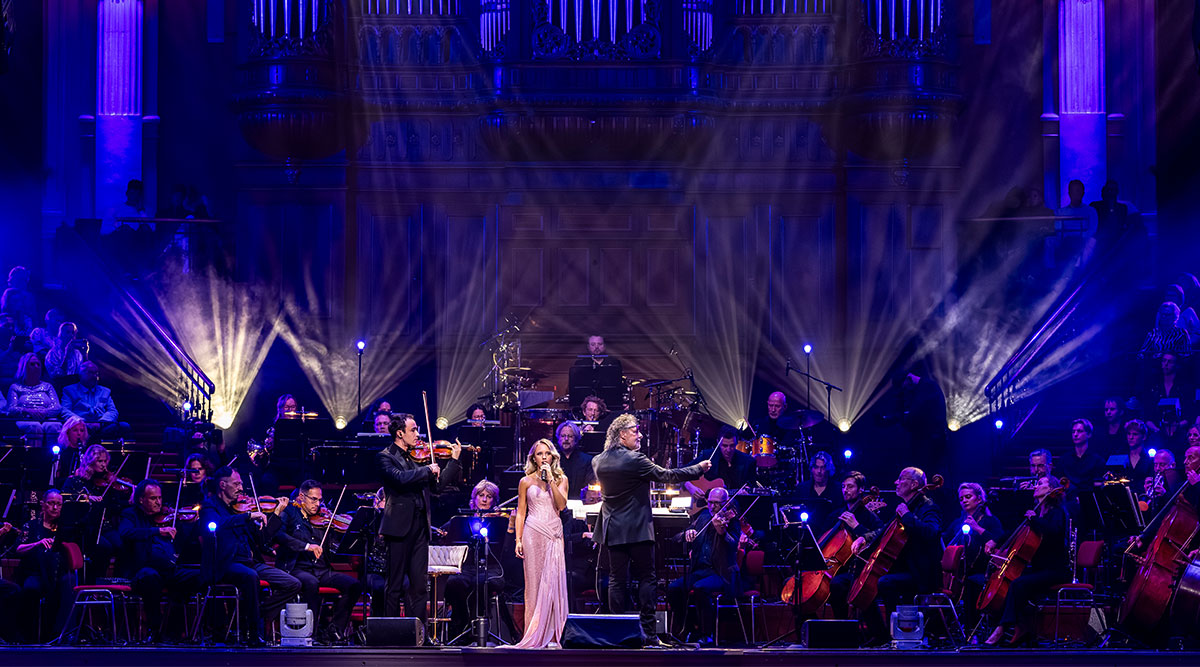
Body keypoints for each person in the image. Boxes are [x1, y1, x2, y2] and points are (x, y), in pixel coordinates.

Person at [591, 413, 710, 646]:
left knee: (617, 579)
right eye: (636, 431)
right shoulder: (635, 460)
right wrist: (698, 468)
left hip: (613, 528)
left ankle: (619, 632)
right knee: (647, 577)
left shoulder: (599, 461)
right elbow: (668, 476)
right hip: (636, 529)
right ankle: (649, 634)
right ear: (622, 434)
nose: (640, 434)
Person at [199, 466, 300, 646]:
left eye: (241, 484)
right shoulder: (210, 506)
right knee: (250, 576)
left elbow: (262, 539)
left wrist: (276, 514)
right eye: (236, 483)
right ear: (222, 485)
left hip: (251, 562)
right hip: (226, 563)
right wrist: (248, 515)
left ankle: (255, 613)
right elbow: (216, 524)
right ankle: (253, 633)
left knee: (292, 583)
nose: (241, 487)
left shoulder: (241, 508)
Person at [376, 413, 462, 622]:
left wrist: (453, 461)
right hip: (397, 528)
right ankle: (391, 631)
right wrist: (426, 470)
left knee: (419, 585)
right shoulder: (386, 456)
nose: (417, 434)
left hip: (420, 528)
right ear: (399, 433)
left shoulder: (419, 457)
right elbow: (399, 479)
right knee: (394, 585)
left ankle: (418, 633)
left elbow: (438, 487)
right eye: (413, 430)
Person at [850, 467, 942, 644]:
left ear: (914, 484)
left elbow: (931, 532)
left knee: (885, 583)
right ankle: (880, 634)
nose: (896, 482)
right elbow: (882, 531)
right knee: (860, 582)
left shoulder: (928, 507)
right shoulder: (905, 507)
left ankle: (896, 635)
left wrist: (907, 516)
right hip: (904, 567)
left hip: (921, 572)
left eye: (901, 479)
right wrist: (864, 537)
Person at [983, 475, 1069, 646]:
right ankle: (1019, 625)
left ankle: (1002, 629)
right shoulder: (1036, 512)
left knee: (1018, 584)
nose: (1036, 486)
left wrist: (1034, 519)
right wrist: (996, 541)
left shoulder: (1057, 513)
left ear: (1052, 490)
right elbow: (1016, 531)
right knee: (1009, 582)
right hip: (1039, 569)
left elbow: (1053, 531)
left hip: (1055, 570)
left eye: (1040, 484)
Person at [275, 479, 364, 644]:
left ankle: (334, 629)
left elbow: (335, 545)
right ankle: (312, 634)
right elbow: (279, 536)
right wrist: (307, 546)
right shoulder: (289, 512)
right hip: (297, 568)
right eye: (313, 499)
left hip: (322, 569)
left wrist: (339, 528)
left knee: (354, 585)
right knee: (311, 583)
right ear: (301, 497)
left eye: (319, 500)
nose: (317, 504)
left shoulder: (323, 517)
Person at [119, 479, 202, 643]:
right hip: (141, 569)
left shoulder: (167, 516)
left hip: (168, 569)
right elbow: (125, 532)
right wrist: (157, 530)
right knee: (150, 578)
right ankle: (154, 630)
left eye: (159, 498)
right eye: (153, 498)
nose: (158, 502)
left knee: (198, 576)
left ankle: (176, 630)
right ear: (141, 499)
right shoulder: (130, 514)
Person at [512, 439, 570, 648]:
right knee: (534, 585)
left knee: (554, 582)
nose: (543, 457)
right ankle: (533, 633)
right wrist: (518, 539)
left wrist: (551, 481)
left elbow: (561, 505)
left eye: (547, 453)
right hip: (533, 532)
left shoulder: (562, 479)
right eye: (539, 454)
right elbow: (520, 512)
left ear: (553, 456)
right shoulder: (525, 481)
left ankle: (554, 635)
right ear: (533, 458)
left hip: (553, 532)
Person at [667, 486, 741, 644]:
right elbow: (677, 537)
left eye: (717, 503)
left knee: (701, 588)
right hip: (699, 570)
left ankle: (707, 634)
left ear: (725, 503)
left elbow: (733, 545)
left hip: (720, 573)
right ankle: (687, 629)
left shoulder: (732, 520)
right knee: (674, 588)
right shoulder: (703, 516)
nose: (712, 507)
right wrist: (686, 534)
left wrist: (723, 533)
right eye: (710, 502)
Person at [444, 480, 511, 642]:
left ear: (494, 501)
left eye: (489, 497)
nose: (484, 499)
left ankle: (480, 630)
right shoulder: (462, 519)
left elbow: (507, 549)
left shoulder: (500, 521)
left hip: (491, 567)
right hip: (466, 567)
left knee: (483, 582)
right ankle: (460, 624)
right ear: (474, 499)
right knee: (454, 582)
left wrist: (511, 526)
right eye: (481, 495)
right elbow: (444, 532)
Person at [61, 443, 128, 582]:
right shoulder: (77, 480)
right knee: (104, 547)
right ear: (90, 461)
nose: (104, 465)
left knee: (122, 546)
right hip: (87, 526)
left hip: (104, 526)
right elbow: (66, 498)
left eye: (105, 461)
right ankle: (95, 581)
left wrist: (118, 493)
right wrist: (87, 498)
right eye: (100, 461)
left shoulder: (107, 481)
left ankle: (115, 580)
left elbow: (115, 507)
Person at [943, 482, 1004, 628]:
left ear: (979, 499)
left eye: (968, 496)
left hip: (983, 571)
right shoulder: (958, 522)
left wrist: (976, 528)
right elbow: (945, 540)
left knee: (971, 583)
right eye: (961, 498)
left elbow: (999, 540)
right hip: (959, 573)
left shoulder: (990, 521)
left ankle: (972, 629)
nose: (964, 500)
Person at [16, 490, 75, 641]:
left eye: (58, 504)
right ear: (43, 505)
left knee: (68, 584)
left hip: (57, 572)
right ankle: (28, 636)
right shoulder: (31, 525)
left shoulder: (65, 528)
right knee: (30, 588)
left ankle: (60, 635)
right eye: (51, 503)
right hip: (35, 572)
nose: (55, 507)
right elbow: (19, 549)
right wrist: (37, 543)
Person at [824, 471, 884, 619]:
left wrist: (857, 527)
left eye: (850, 486)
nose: (845, 490)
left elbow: (879, 538)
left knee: (837, 584)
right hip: (833, 567)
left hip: (858, 570)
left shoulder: (869, 516)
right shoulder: (835, 514)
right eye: (843, 486)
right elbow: (822, 539)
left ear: (861, 489)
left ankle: (844, 628)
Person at [683, 425, 756, 501]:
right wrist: (690, 487)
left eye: (732, 445)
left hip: (735, 505)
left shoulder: (748, 461)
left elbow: (751, 486)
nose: (728, 450)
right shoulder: (707, 456)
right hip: (706, 506)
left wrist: (747, 490)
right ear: (718, 442)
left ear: (737, 442)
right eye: (724, 446)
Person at [61, 361, 128, 438]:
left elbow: (113, 411)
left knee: (124, 426)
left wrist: (100, 422)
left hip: (102, 425)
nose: (94, 376)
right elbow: (64, 410)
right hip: (79, 426)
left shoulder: (105, 391)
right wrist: (81, 422)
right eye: (89, 373)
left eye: (96, 373)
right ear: (80, 375)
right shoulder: (69, 390)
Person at [6, 352, 62, 444]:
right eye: (32, 364)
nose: (36, 366)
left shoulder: (48, 386)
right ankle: (34, 456)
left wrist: (45, 412)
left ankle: (54, 457)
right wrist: (27, 411)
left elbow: (57, 407)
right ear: (24, 367)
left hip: (47, 418)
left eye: (38, 364)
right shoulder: (15, 387)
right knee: (34, 427)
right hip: (25, 418)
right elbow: (11, 408)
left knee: (54, 427)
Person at [1061, 419, 1105, 493]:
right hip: (1069, 499)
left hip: (1090, 498)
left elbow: (1098, 484)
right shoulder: (1065, 459)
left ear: (1089, 434)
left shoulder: (1097, 460)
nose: (1075, 434)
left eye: (1079, 431)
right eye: (1073, 431)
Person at [556, 420, 595, 500]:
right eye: (563, 436)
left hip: (579, 504)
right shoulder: (552, 460)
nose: (566, 439)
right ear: (558, 438)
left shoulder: (587, 460)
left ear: (576, 439)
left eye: (570, 436)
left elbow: (590, 486)